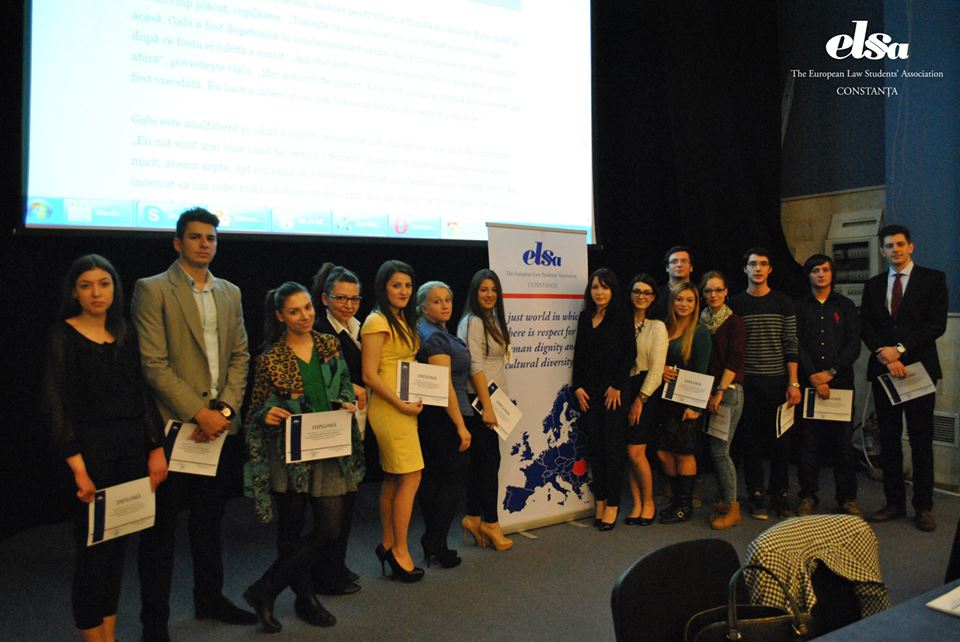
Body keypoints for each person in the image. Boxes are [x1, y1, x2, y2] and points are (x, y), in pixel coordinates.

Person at [132, 208, 254, 641]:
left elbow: (240, 356)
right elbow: (153, 364)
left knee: (209, 521)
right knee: (160, 532)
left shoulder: (230, 292)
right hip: (173, 430)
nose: (205, 244)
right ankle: (154, 623)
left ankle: (210, 598)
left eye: (211, 238)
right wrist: (198, 413)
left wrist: (224, 412)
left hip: (217, 430)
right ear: (177, 243)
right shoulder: (152, 289)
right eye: (196, 237)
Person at [43, 254, 168, 642]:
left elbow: (141, 394)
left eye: (104, 284)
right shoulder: (62, 336)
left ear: (115, 288)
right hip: (90, 454)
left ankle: (108, 635)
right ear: (74, 292)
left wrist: (155, 448)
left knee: (117, 548)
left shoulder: (125, 332)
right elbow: (56, 404)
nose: (96, 293)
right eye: (86, 285)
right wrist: (78, 469)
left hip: (130, 451)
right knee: (92, 551)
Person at [243, 282, 362, 633]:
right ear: (280, 316)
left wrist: (347, 401)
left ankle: (265, 589)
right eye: (294, 311)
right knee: (291, 530)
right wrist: (266, 414)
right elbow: (254, 410)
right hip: (291, 454)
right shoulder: (269, 358)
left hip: (329, 446)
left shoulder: (329, 344)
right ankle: (305, 599)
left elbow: (343, 385)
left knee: (330, 528)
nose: (305, 316)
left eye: (307, 307)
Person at [861, 225, 948, 532]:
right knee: (889, 440)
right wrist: (884, 354)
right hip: (885, 373)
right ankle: (894, 502)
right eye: (889, 246)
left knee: (921, 440)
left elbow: (936, 325)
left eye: (900, 244)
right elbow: (866, 326)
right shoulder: (873, 285)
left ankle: (923, 506)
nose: (895, 250)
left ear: (910, 247)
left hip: (918, 371)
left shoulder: (933, 279)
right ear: (882, 251)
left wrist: (899, 350)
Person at [360, 260, 425, 581]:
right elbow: (369, 375)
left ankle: (388, 544)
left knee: (395, 479)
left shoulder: (401, 319)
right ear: (383, 287)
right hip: (390, 408)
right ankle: (400, 550)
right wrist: (401, 404)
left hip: (404, 407)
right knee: (411, 477)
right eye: (396, 285)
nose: (403, 291)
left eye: (408, 285)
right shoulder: (376, 321)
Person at [729, 247, 801, 521]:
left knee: (781, 443)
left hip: (778, 382)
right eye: (753, 264)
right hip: (747, 383)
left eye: (763, 264)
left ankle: (779, 495)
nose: (758, 269)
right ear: (745, 269)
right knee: (751, 443)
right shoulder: (736, 304)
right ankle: (756, 495)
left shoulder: (784, 302)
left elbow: (791, 343)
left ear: (770, 269)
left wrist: (793, 382)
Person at [310, 263, 366, 595]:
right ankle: (325, 574)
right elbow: (318, 379)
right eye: (341, 298)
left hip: (358, 423)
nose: (348, 304)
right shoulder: (319, 330)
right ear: (325, 299)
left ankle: (338, 565)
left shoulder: (358, 327)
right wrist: (349, 389)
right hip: (330, 426)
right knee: (331, 508)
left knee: (349, 499)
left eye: (354, 298)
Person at [795, 254, 862, 518]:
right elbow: (796, 343)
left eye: (825, 270)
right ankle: (808, 495)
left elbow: (853, 345)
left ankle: (847, 498)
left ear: (832, 274)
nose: (821, 274)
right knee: (808, 445)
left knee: (843, 446)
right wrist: (813, 375)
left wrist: (830, 374)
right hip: (809, 385)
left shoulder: (846, 306)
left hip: (841, 385)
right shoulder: (800, 306)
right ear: (809, 275)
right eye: (815, 270)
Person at [572, 268, 636, 530]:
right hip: (588, 393)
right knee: (595, 448)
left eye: (604, 287)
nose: (599, 292)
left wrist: (617, 386)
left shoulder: (622, 316)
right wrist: (577, 387)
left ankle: (613, 504)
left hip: (614, 394)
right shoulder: (585, 317)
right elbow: (578, 355)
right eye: (595, 287)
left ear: (613, 290)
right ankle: (599, 500)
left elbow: (629, 354)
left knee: (612, 449)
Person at [415, 281, 472, 567]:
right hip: (445, 417)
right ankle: (435, 540)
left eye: (448, 299)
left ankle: (435, 542)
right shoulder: (434, 337)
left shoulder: (435, 331)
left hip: (434, 417)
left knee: (435, 481)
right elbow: (444, 385)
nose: (445, 305)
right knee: (450, 482)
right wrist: (460, 426)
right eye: (436, 301)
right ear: (423, 307)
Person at [457, 269, 515, 549]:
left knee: (483, 464)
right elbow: (475, 366)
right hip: (481, 402)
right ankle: (491, 523)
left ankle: (472, 517)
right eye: (483, 289)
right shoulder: (475, 322)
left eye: (493, 289)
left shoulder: (492, 319)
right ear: (474, 292)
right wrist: (488, 408)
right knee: (489, 464)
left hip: (493, 401)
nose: (489, 294)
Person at [657, 282, 712, 523]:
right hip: (663, 401)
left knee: (684, 454)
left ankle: (683, 506)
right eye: (680, 299)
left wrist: (696, 407)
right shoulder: (663, 327)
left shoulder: (699, 332)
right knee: (662, 452)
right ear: (672, 301)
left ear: (696, 304)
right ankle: (675, 499)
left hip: (687, 403)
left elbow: (702, 370)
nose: (684, 304)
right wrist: (661, 369)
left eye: (690, 300)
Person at [699, 271, 746, 529]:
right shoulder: (701, 319)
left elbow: (734, 359)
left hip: (727, 392)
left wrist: (718, 391)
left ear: (726, 292)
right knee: (714, 450)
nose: (713, 295)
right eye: (708, 290)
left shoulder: (734, 321)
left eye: (718, 290)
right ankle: (724, 500)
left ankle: (732, 507)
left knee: (720, 451)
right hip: (708, 392)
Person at [623, 274, 668, 526]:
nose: (641, 296)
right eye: (637, 291)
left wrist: (640, 399)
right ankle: (637, 503)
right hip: (623, 388)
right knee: (628, 450)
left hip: (645, 391)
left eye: (647, 292)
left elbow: (657, 369)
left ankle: (649, 502)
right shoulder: (620, 323)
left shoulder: (657, 327)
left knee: (636, 450)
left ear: (653, 298)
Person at [649, 245, 694, 321]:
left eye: (684, 261)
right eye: (674, 261)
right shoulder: (656, 295)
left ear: (691, 267)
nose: (679, 265)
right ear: (667, 268)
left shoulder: (699, 294)